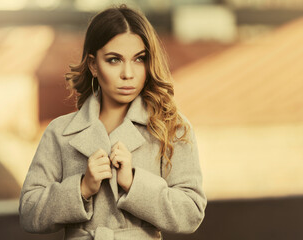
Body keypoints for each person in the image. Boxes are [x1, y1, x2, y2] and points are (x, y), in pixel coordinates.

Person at [19, 5, 206, 240]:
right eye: (114, 60)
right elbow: (28, 212)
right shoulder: (60, 132)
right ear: (93, 65)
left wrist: (133, 183)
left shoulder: (171, 128)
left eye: (139, 59)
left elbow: (191, 213)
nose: (128, 73)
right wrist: (81, 188)